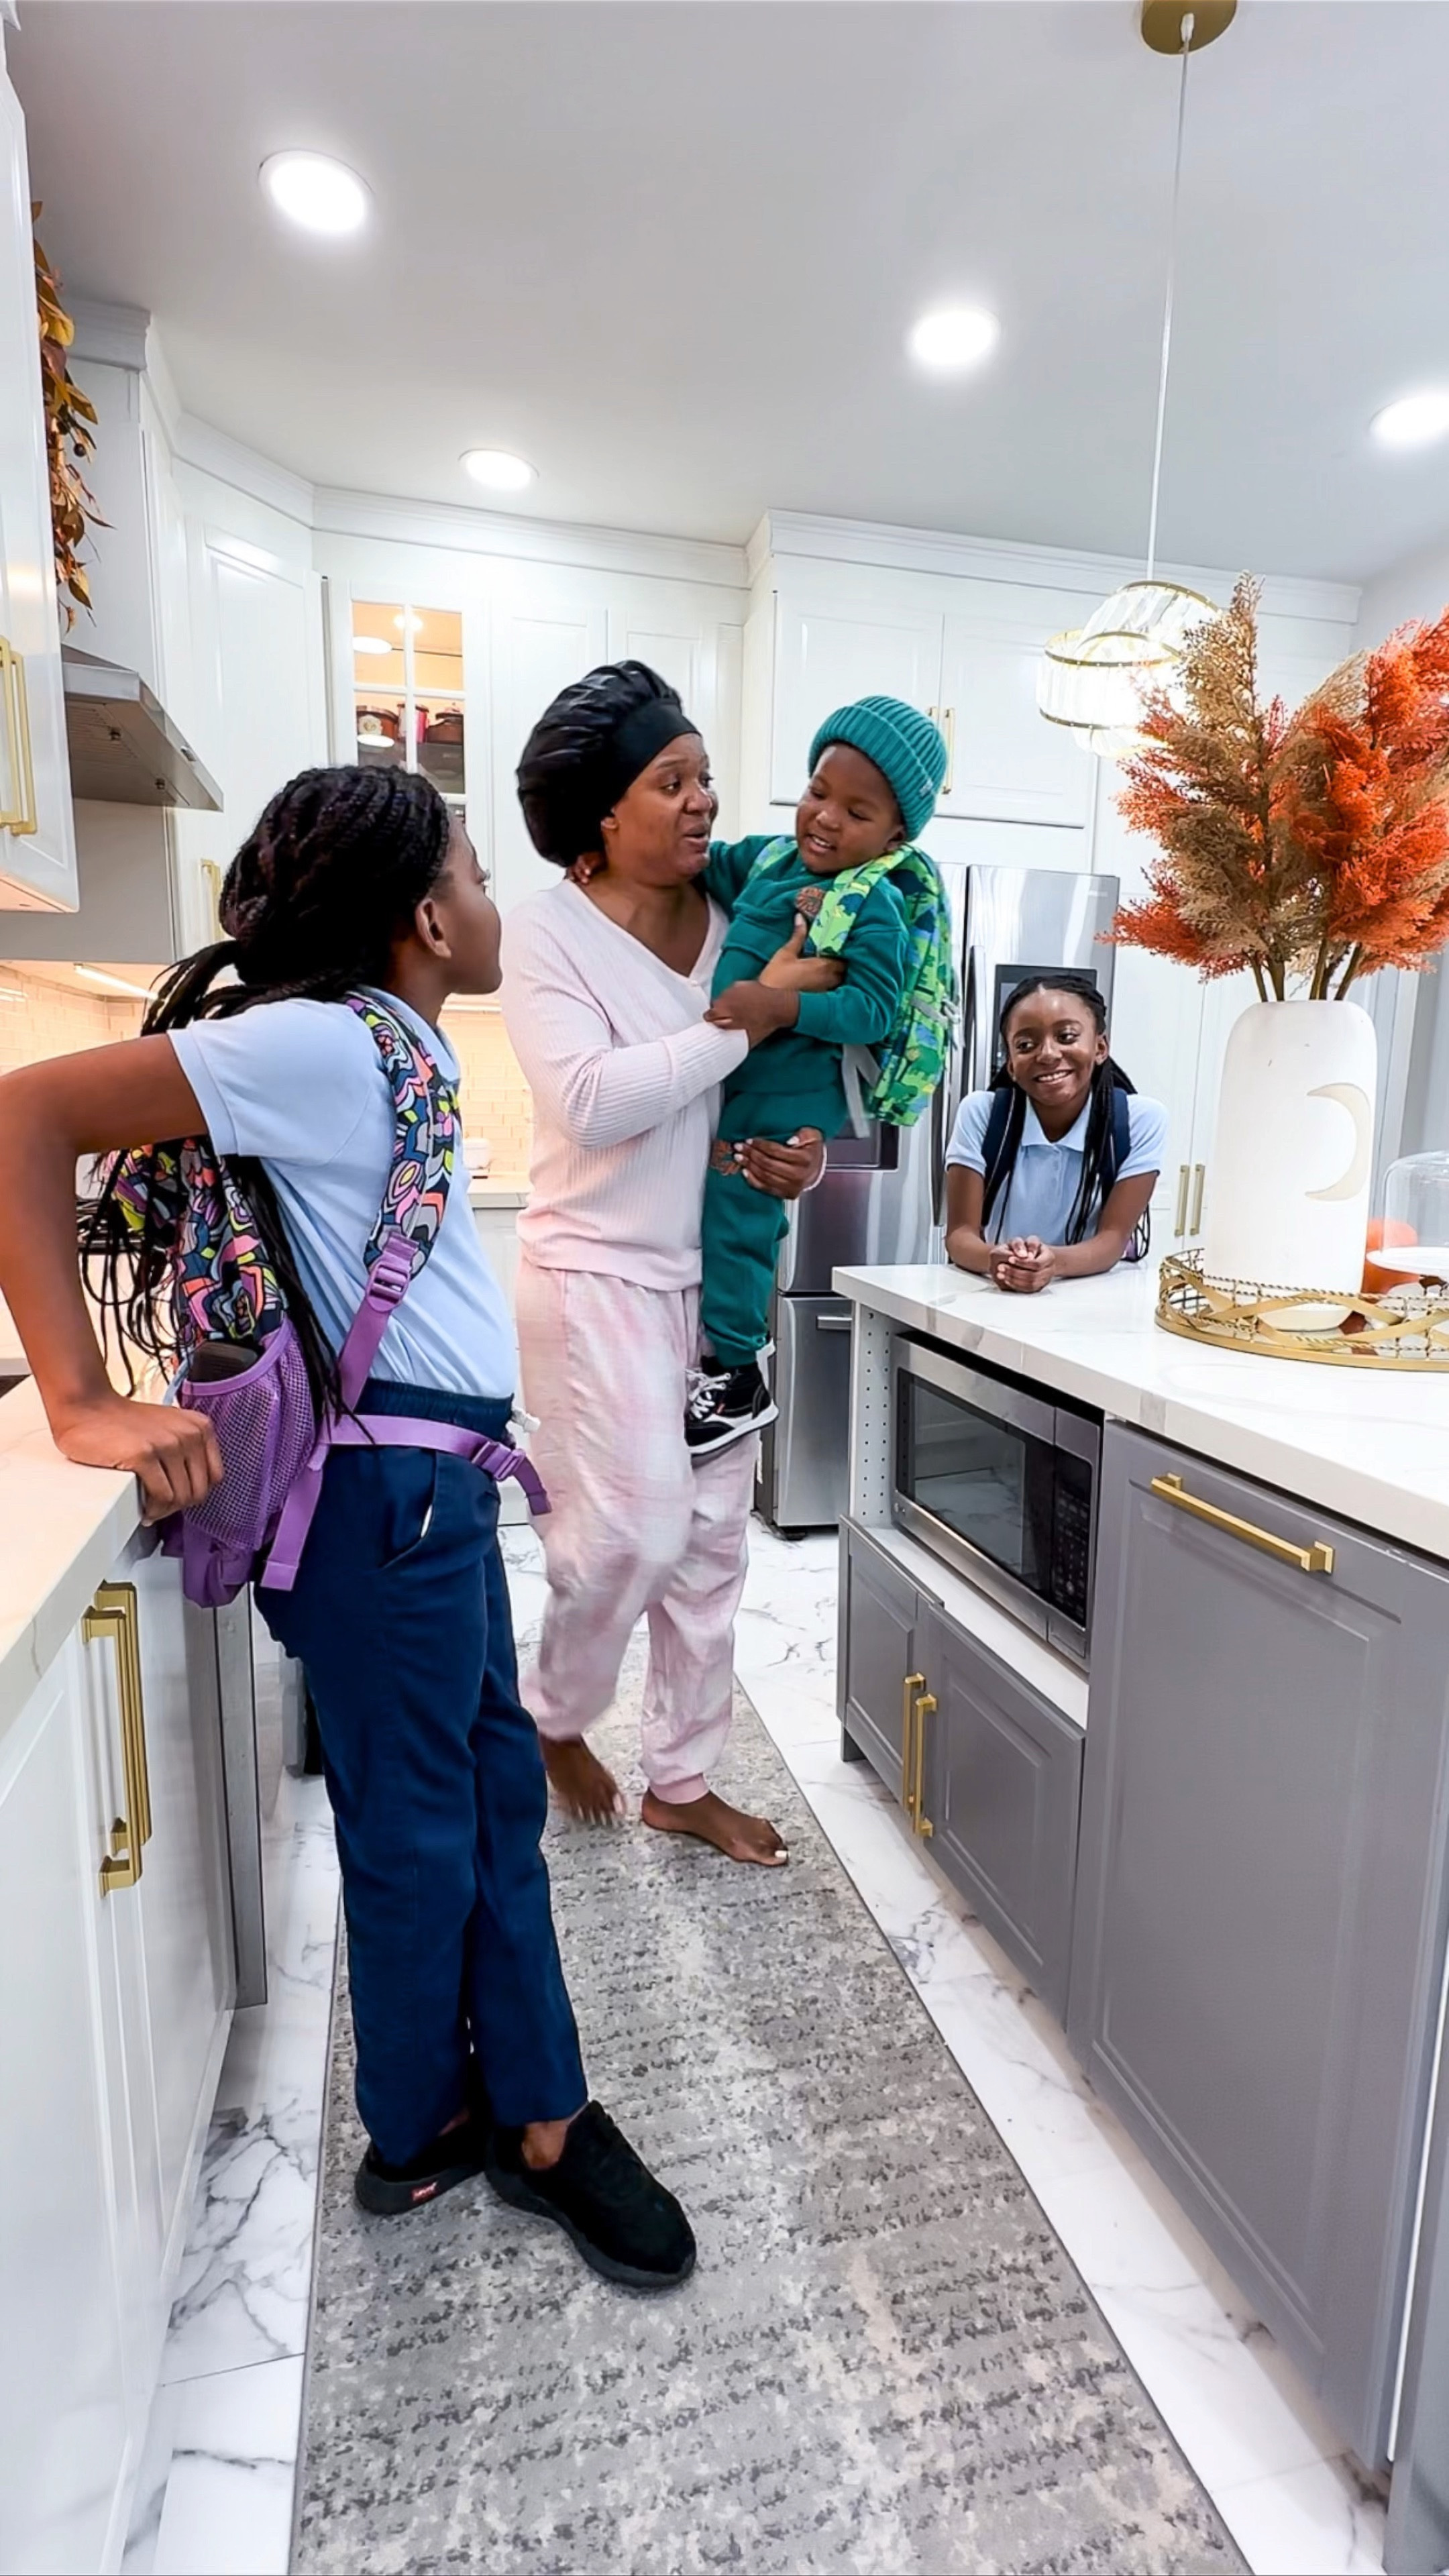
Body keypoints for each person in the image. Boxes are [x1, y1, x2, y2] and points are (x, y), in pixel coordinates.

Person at [0, 763, 695, 2290]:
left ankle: (538, 2108)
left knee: (482, 1795)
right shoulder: (322, 1044)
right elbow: (26, 1109)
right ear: (428, 916)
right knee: (420, 1827)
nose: (498, 900)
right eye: (479, 872)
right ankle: (421, 2124)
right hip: (382, 1506)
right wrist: (72, 1398)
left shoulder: (386, 1045)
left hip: (425, 1499)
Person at [504, 661, 832, 1865]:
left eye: (705, 777)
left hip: (719, 1286)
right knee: (628, 1538)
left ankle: (682, 1780)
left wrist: (798, 1160)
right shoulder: (545, 936)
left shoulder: (747, 913)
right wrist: (744, 1015)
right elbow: (593, 1103)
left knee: (710, 1552)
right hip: (593, 1277)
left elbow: (756, 1095)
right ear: (601, 812)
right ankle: (554, 1715)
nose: (704, 800)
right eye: (671, 779)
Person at [688, 698, 949, 1452]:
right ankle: (732, 1362)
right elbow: (699, 867)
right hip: (737, 1080)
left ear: (895, 834)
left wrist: (779, 1005)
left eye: (857, 811)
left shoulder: (875, 904)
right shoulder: (769, 860)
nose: (826, 819)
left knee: (739, 1225)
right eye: (818, 791)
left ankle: (737, 1374)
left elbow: (872, 1010)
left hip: (788, 1090)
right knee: (724, 1217)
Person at [943, 971, 1165, 1293]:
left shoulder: (1139, 1120)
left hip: (1087, 1305)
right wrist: (998, 1259)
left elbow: (1113, 1239)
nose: (1047, 1054)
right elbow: (960, 1235)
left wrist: (1051, 1263)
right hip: (990, 1298)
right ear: (1011, 1065)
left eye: (1067, 1037)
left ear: (1100, 1047)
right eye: (1026, 1044)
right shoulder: (981, 1113)